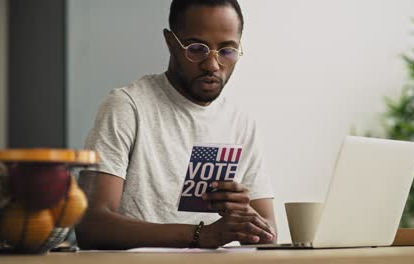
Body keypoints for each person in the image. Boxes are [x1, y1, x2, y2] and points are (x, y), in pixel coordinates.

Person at [76, 0, 276, 249]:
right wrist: (201, 235)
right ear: (171, 43)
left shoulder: (241, 123)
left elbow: (269, 235)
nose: (212, 65)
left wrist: (245, 214)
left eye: (226, 51)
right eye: (196, 49)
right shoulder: (128, 106)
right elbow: (91, 225)